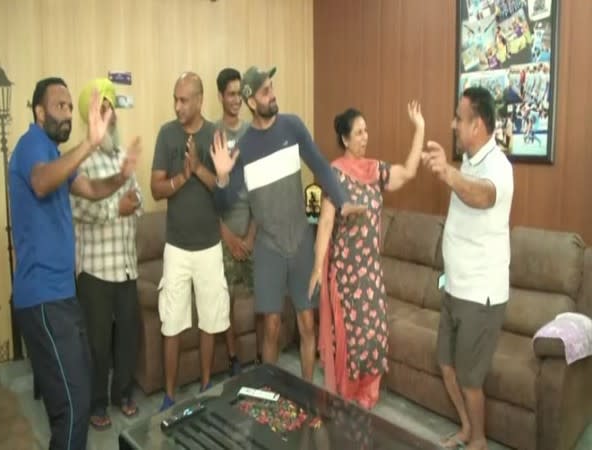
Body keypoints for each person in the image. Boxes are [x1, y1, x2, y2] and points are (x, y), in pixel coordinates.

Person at [211, 66, 365, 383]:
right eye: (266, 91)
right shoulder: (245, 148)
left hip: (301, 245)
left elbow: (321, 165)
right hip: (268, 247)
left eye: (272, 87)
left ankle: (306, 392)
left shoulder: (292, 127)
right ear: (251, 101)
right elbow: (223, 203)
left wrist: (341, 199)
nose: (273, 95)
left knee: (308, 323)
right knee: (271, 325)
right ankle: (269, 390)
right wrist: (223, 177)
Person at [9, 77, 139, 450]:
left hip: (63, 294)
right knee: (74, 405)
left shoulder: (54, 154)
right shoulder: (32, 145)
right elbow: (39, 183)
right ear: (39, 112)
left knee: (71, 399)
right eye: (59, 106)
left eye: (69, 107)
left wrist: (122, 175)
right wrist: (90, 144)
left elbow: (93, 191)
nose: (66, 114)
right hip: (43, 297)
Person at [308, 102, 425, 409]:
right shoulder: (334, 174)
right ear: (345, 139)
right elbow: (325, 224)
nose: (365, 137)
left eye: (366, 131)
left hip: (371, 272)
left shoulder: (375, 171)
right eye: (358, 132)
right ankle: (348, 399)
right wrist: (318, 269)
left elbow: (409, 172)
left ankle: (367, 400)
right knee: (354, 340)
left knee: (374, 337)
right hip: (347, 274)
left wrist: (420, 129)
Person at [421, 86, 513, 450]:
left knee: (471, 380)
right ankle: (465, 427)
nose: (453, 124)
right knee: (446, 364)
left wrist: (447, 173)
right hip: (455, 288)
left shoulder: (498, 167)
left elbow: (483, 195)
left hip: (481, 294)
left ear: (477, 125)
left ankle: (479, 441)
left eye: (459, 118)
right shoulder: (470, 163)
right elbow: (466, 184)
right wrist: (450, 169)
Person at [151, 72, 228, 410]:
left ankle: (207, 385)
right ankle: (169, 396)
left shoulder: (216, 135)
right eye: (175, 99)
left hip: (210, 246)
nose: (177, 106)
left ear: (199, 100)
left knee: (211, 319)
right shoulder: (166, 135)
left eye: (184, 100)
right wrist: (183, 175)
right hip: (177, 248)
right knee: (172, 322)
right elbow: (156, 189)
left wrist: (198, 168)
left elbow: (225, 189)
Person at [71, 78, 143, 430]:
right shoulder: (80, 161)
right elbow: (79, 209)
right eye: (102, 109)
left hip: (126, 267)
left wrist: (132, 204)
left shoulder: (120, 157)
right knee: (97, 346)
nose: (109, 116)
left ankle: (123, 395)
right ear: (90, 117)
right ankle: (97, 404)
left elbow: (138, 200)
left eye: (111, 110)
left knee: (128, 338)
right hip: (96, 272)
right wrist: (119, 209)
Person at [215, 67, 263, 371]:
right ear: (221, 96)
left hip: (253, 229)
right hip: (224, 232)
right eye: (230, 94)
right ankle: (233, 360)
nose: (235, 100)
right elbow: (210, 191)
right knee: (226, 302)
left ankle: (261, 358)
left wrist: (249, 235)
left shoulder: (252, 133)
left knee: (263, 298)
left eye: (239, 94)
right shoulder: (214, 134)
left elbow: (260, 187)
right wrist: (229, 237)